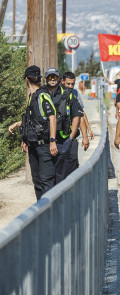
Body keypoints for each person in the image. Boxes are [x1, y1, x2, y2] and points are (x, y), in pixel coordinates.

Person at [9, 66, 58, 200]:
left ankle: (50, 215)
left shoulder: (43, 95)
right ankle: (41, 213)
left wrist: (52, 141)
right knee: (37, 182)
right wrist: (24, 137)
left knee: (46, 182)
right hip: (34, 146)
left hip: (45, 146)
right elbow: (33, 120)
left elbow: (52, 117)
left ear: (26, 79)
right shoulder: (32, 97)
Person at [44, 68, 84, 183]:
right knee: (50, 174)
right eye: (50, 77)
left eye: (54, 77)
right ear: (46, 79)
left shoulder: (68, 95)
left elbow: (78, 115)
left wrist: (71, 137)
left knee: (67, 171)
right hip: (47, 140)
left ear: (59, 79)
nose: (52, 79)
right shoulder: (41, 94)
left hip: (64, 140)